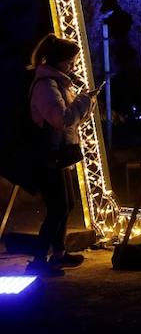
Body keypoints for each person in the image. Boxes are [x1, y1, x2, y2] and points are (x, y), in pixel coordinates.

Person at [26, 34, 96, 277]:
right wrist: (84, 101)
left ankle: (58, 253)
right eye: (70, 62)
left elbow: (70, 119)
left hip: (60, 155)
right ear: (57, 62)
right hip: (49, 157)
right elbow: (61, 119)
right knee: (57, 208)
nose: (73, 67)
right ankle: (38, 259)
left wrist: (85, 103)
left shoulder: (58, 84)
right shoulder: (46, 86)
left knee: (67, 205)